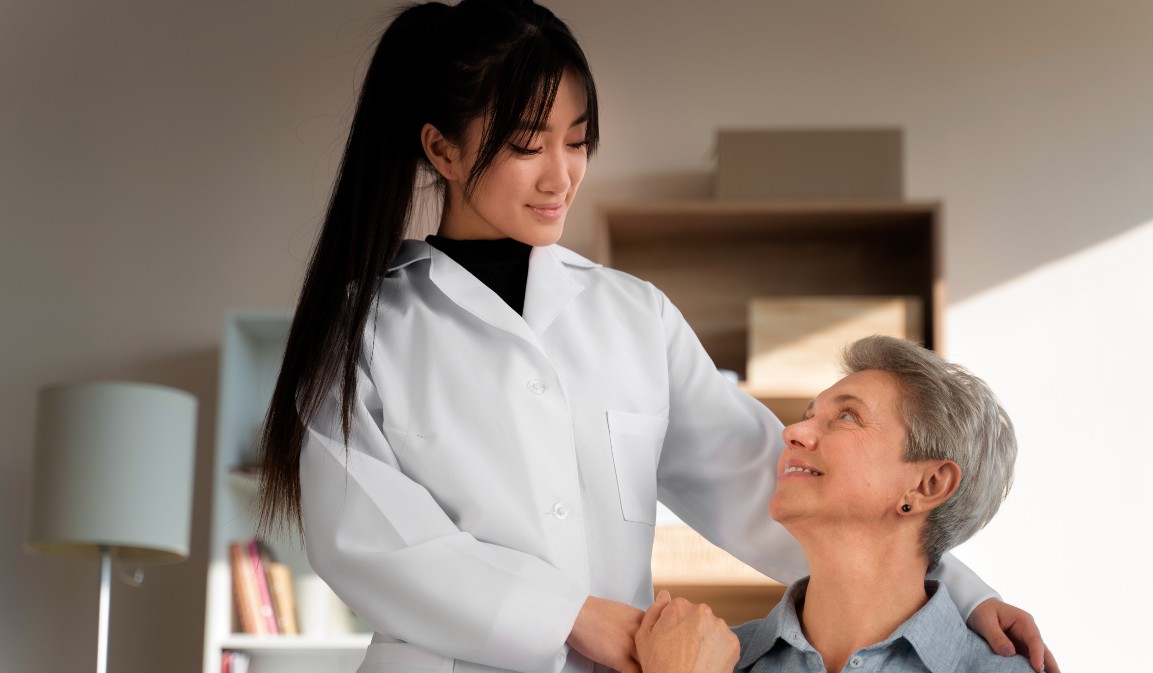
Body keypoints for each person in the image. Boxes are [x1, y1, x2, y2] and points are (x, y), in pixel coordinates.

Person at [254, 2, 1053, 672]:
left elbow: (769, 483)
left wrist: (963, 595)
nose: (561, 175)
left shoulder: (632, 316)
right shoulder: (362, 333)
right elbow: (373, 543)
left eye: (578, 140)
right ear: (442, 148)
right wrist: (572, 615)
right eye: (529, 144)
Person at [635, 336, 1057, 673]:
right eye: (808, 414)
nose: (792, 432)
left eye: (848, 416)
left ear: (928, 484)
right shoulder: (707, 660)